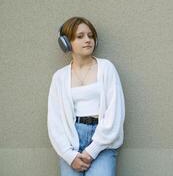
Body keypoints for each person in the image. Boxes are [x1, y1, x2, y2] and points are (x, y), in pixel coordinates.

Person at [47, 16, 125, 176]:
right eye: (80, 36)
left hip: (103, 141)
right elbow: (55, 121)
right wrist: (69, 155)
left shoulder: (107, 68)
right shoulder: (59, 77)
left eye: (90, 36)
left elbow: (115, 112)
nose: (88, 40)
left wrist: (93, 150)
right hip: (71, 141)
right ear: (66, 43)